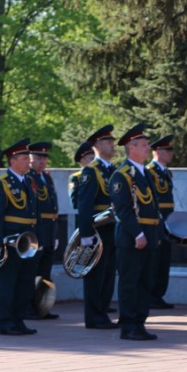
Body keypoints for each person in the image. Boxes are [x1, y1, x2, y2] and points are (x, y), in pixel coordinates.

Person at [109, 124, 163, 340]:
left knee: (145, 282)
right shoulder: (121, 175)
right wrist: (138, 234)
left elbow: (153, 206)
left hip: (149, 232)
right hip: (133, 236)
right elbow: (123, 209)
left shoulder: (145, 173)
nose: (148, 148)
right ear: (132, 148)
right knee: (130, 282)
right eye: (143, 145)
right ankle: (129, 325)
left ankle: (139, 323)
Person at [0, 138, 39, 336]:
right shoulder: (1, 183)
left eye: (29, 158)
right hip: (10, 242)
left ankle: (19, 320)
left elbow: (34, 214)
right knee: (8, 283)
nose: (29, 161)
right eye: (25, 158)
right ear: (13, 161)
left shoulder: (28, 181)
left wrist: (38, 239)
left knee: (25, 283)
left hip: (28, 241)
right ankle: (6, 322)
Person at [77, 125, 119, 329]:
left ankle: (102, 313)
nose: (112, 145)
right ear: (97, 146)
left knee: (109, 274)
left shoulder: (112, 170)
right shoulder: (90, 171)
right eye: (107, 141)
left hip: (113, 228)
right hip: (98, 230)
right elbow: (84, 205)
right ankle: (93, 316)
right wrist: (86, 235)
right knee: (96, 275)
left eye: (112, 141)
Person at [26, 141, 60, 320]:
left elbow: (53, 209)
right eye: (38, 158)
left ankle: (43, 306)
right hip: (38, 230)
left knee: (45, 272)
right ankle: (30, 307)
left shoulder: (46, 178)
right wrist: (36, 236)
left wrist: (54, 234)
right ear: (30, 159)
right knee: (33, 271)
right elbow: (35, 210)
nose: (42, 161)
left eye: (44, 158)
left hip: (49, 230)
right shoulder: (29, 179)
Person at [146, 135, 176, 310]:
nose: (170, 153)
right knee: (155, 260)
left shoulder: (166, 172)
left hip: (168, 219)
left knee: (164, 259)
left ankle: (158, 294)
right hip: (157, 219)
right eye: (167, 150)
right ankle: (151, 295)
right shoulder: (150, 171)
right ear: (157, 151)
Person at [69, 141, 95, 211]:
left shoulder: (102, 173)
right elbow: (74, 202)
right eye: (92, 159)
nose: (95, 162)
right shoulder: (76, 177)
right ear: (82, 161)